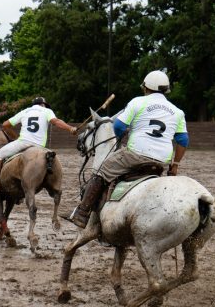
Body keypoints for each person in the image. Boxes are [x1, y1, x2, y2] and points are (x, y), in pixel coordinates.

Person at [69, 70, 189, 228]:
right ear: (166, 90)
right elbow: (183, 140)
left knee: (101, 170)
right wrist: (175, 166)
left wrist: (121, 135)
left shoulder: (138, 102)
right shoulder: (177, 112)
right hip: (162, 160)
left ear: (146, 88)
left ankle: (82, 213)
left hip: (136, 154)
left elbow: (118, 126)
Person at [0, 96, 77, 193]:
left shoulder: (25, 111)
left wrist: (15, 137)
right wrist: (70, 128)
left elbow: (5, 125)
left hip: (23, 142)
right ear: (43, 105)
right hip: (39, 146)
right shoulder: (47, 111)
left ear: (33, 105)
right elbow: (56, 122)